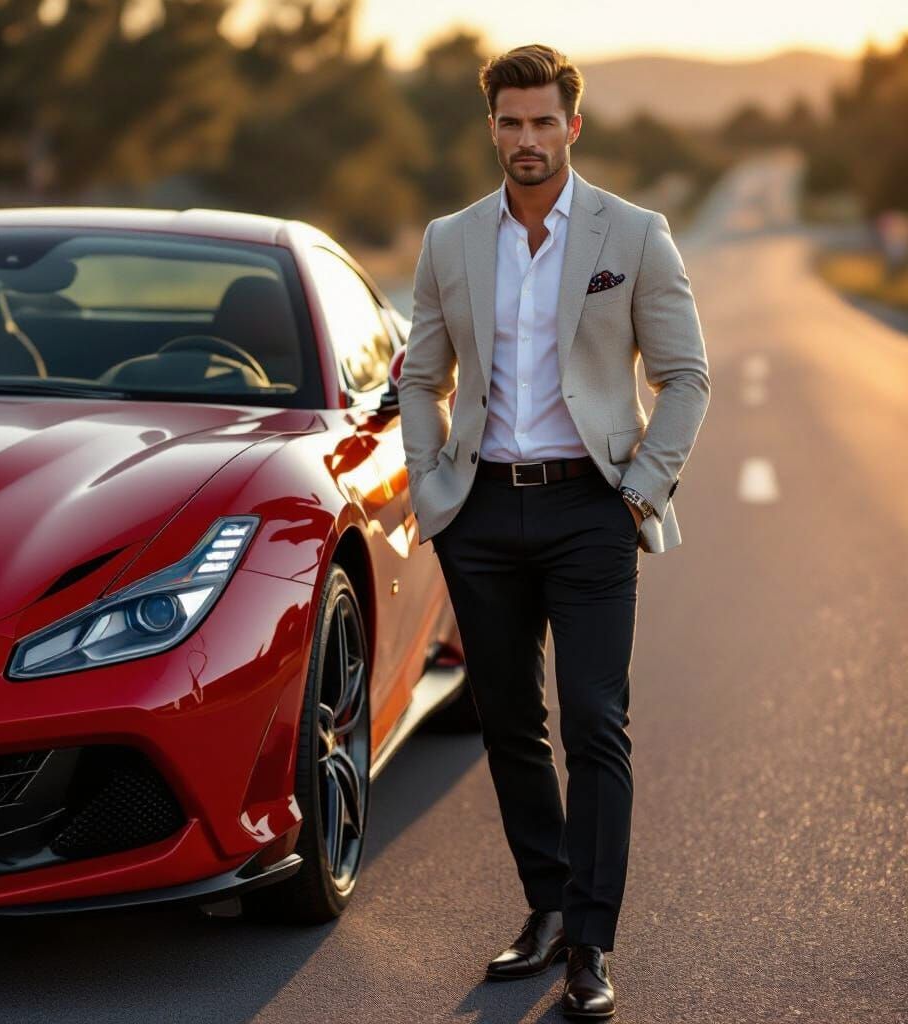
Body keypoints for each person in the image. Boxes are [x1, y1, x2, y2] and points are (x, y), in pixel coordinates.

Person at [397, 43, 711, 1018]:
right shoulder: (449, 240)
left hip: (589, 508)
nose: (527, 139)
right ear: (489, 126)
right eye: (510, 121)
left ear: (573, 126)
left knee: (594, 721)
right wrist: (432, 483)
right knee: (510, 724)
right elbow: (420, 374)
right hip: (482, 510)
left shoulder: (635, 233)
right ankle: (543, 905)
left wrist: (640, 489)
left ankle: (589, 939)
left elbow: (684, 375)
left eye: (544, 122)